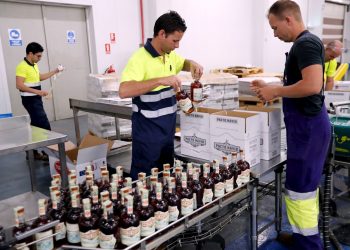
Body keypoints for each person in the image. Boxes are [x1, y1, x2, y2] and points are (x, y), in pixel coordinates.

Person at [250, 1, 331, 249]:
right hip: (304, 129)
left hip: (308, 129)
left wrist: (275, 90)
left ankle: (309, 245)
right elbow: (309, 81)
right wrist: (275, 86)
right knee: (298, 187)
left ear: (289, 20)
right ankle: (301, 237)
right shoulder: (306, 43)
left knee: (302, 191)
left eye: (275, 28)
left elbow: (313, 85)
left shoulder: (305, 43)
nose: (274, 34)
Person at [119, 11, 203, 179]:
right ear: (162, 34)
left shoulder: (169, 55)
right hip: (147, 137)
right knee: (145, 183)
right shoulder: (139, 58)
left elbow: (182, 63)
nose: (177, 46)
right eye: (175, 41)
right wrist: (160, 80)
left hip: (167, 135)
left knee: (165, 181)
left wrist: (191, 63)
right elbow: (124, 90)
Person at [16, 42, 64, 160]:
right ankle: (49, 153)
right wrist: (38, 92)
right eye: (38, 56)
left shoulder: (33, 64)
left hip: (36, 99)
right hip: (29, 100)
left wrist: (55, 71)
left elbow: (39, 77)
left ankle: (31, 152)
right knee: (44, 124)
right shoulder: (22, 66)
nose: (40, 58)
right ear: (30, 54)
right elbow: (19, 85)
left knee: (35, 125)